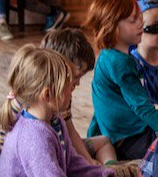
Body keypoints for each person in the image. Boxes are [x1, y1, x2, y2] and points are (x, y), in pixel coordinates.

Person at [0, 45, 133, 177]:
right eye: (68, 85)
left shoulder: (53, 121)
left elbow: (73, 163)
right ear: (47, 95)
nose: (73, 89)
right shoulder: (33, 137)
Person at [86, 0, 158, 160]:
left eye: (140, 17)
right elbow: (141, 106)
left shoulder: (107, 55)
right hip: (130, 139)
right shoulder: (120, 63)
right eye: (133, 20)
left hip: (119, 135)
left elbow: (101, 102)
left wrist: (94, 132)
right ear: (112, 27)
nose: (141, 23)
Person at [38, 27, 119, 167]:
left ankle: (111, 170)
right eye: (76, 76)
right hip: (49, 156)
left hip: (65, 146)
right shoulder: (41, 96)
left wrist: (89, 161)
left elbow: (70, 130)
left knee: (104, 141)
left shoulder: (64, 95)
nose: (78, 83)